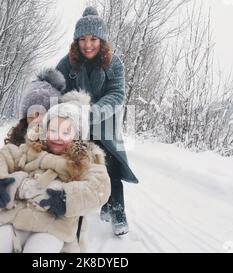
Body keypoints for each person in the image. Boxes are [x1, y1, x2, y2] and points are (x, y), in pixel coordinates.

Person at [0, 90, 111, 253]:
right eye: (53, 130)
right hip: (14, 222)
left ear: (77, 136)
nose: (58, 137)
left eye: (66, 132)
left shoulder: (84, 162)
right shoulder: (28, 151)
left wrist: (67, 197)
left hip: (54, 229)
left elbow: (99, 187)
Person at [56, 6, 139, 236]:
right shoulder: (66, 63)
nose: (88, 44)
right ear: (76, 41)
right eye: (82, 39)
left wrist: (92, 112)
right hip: (76, 126)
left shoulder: (114, 63)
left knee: (110, 164)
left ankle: (116, 210)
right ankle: (70, 208)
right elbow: (55, 89)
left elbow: (116, 93)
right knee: (76, 165)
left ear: (101, 40)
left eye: (93, 38)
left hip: (105, 125)